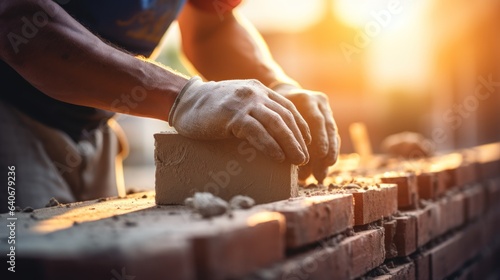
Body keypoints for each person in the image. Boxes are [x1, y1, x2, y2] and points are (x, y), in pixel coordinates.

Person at [0, 0, 340, 210]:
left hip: (94, 127)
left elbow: (210, 28)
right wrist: (185, 97)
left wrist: (277, 85)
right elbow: (17, 20)